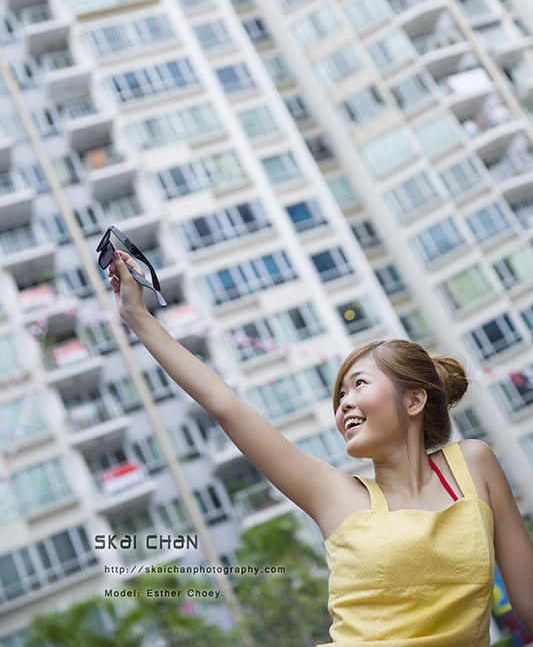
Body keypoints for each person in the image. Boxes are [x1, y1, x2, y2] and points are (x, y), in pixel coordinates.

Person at [107, 249, 533, 646]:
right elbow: (228, 406)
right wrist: (136, 314)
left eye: (359, 384)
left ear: (414, 400)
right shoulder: (337, 495)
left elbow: (529, 604)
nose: (344, 402)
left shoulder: (473, 465)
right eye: (339, 395)